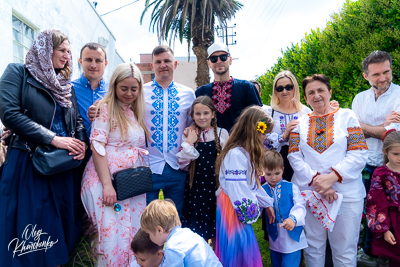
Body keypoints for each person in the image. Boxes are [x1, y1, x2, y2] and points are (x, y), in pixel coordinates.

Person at [0, 29, 88, 266]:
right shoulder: (18, 72)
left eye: (69, 52)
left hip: (62, 164)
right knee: (29, 225)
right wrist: (54, 139)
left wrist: (81, 145)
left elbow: (77, 120)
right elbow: (10, 114)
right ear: (45, 49)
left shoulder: (65, 84)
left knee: (59, 226)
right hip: (29, 162)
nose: (67, 56)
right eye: (62, 50)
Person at [288, 74, 368, 267]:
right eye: (311, 93)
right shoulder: (300, 124)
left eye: (321, 90)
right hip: (310, 193)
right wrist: (317, 180)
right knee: (313, 248)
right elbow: (294, 156)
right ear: (305, 98)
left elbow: (359, 153)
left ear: (330, 92)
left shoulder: (347, 116)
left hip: (346, 194)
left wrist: (331, 178)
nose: (316, 96)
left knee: (345, 250)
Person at [81, 63, 150, 266]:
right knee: (110, 236)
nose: (129, 93)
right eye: (124, 88)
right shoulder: (105, 108)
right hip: (107, 182)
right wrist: (107, 185)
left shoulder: (132, 109)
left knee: (129, 231)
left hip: (129, 184)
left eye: (134, 89)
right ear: (114, 86)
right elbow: (97, 146)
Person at [352, 50, 400, 266]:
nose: (383, 78)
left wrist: (367, 127)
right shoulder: (360, 99)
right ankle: (366, 250)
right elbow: (353, 131)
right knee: (365, 210)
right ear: (366, 76)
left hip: (392, 166)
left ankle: (383, 255)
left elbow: (391, 135)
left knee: (389, 211)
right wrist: (382, 127)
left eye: (387, 72)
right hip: (362, 163)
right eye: (376, 74)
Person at [214, 105, 275, 267]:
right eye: (264, 132)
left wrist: (267, 203)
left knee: (241, 248)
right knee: (240, 246)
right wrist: (249, 212)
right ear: (254, 130)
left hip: (235, 203)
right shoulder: (236, 154)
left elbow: (252, 184)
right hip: (234, 206)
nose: (265, 137)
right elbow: (238, 189)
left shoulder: (245, 152)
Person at [144, 45, 196, 217]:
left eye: (167, 61)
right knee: (146, 218)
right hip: (148, 166)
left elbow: (192, 125)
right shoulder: (140, 92)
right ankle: (150, 245)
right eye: (158, 62)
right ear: (152, 66)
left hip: (177, 167)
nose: (163, 65)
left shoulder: (189, 94)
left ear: (175, 64)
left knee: (176, 217)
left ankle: (175, 244)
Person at [177, 96, 229, 243]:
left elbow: (227, 163)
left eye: (206, 113)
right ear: (192, 115)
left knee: (216, 227)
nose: (202, 117)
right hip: (195, 188)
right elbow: (182, 164)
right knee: (197, 231)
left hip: (215, 187)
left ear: (213, 114)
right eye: (197, 114)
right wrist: (188, 142)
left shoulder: (222, 134)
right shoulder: (189, 134)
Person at [196, 43, 262, 133]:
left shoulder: (247, 87)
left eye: (223, 57)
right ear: (209, 63)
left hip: (242, 145)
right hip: (212, 145)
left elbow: (259, 118)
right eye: (214, 59)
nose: (219, 61)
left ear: (230, 60)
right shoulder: (201, 92)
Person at [141, 199, 222, 267]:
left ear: (159, 230)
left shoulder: (172, 247)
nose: (149, 237)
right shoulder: (187, 232)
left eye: (149, 233)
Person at [262, 150, 307, 267]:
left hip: (291, 235)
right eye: (268, 174)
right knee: (276, 262)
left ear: (282, 169)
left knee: (289, 264)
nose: (273, 178)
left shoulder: (291, 187)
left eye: (277, 173)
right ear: (263, 172)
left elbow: (300, 205)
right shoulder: (261, 189)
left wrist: (293, 219)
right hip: (275, 236)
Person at [264, 71, 311, 182]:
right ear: (275, 91)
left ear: (295, 88)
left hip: (303, 158)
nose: (284, 91)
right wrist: (283, 135)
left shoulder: (305, 111)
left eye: (289, 87)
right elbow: (262, 140)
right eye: (280, 88)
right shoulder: (268, 112)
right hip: (277, 161)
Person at [365, 129, 400, 267]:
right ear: (385, 151)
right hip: (392, 223)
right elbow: (375, 202)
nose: (399, 157)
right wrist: (384, 229)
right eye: (396, 154)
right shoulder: (380, 173)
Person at [73, 42, 109, 140]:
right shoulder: (68, 89)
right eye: (88, 60)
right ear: (80, 62)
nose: (93, 65)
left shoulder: (114, 91)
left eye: (98, 61)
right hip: (78, 152)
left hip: (108, 152)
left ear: (105, 63)